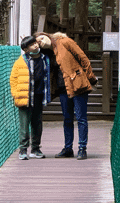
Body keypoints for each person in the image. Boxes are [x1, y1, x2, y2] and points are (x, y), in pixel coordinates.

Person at [36, 32, 97, 160]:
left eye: (42, 38)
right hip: (63, 89)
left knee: (81, 118)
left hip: (77, 85)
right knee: (67, 119)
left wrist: (90, 77)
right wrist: (27, 44)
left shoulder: (64, 41)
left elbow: (83, 58)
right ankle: (68, 148)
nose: (41, 41)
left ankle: (82, 148)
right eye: (38, 42)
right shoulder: (47, 53)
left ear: (47, 35)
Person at [10, 35, 51, 160]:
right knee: (24, 124)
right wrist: (16, 95)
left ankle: (35, 148)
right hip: (25, 97)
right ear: (26, 49)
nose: (35, 45)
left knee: (37, 123)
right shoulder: (20, 61)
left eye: (35, 43)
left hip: (38, 96)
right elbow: (13, 79)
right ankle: (23, 150)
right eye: (32, 44)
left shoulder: (45, 59)